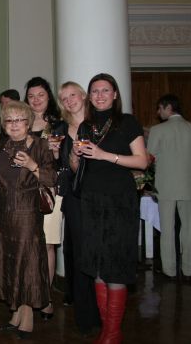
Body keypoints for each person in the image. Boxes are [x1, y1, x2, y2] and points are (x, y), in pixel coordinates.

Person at [71, 74, 148, 344]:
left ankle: (112, 334)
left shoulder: (127, 122)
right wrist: (74, 155)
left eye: (105, 90)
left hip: (119, 202)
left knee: (115, 266)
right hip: (91, 202)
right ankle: (108, 330)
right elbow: (78, 169)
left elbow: (142, 162)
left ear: (115, 94)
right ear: (89, 96)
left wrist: (105, 155)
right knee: (97, 267)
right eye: (95, 91)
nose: (100, 95)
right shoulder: (86, 126)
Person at [0, 100, 56, 339]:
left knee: (26, 263)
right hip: (4, 214)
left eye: (19, 120)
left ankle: (27, 316)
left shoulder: (40, 145)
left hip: (27, 213)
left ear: (28, 123)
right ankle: (15, 312)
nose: (14, 124)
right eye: (9, 120)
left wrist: (32, 164)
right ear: (4, 125)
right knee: (10, 262)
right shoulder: (0, 146)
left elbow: (51, 178)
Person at [57, 82, 100, 335]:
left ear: (83, 96)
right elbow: (66, 167)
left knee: (100, 253)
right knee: (81, 255)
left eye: (73, 95)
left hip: (102, 195)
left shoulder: (98, 124)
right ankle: (85, 316)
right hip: (75, 197)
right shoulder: (61, 129)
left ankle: (103, 311)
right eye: (64, 98)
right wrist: (61, 154)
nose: (69, 100)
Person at [147, 95, 191, 280]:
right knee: (190, 228)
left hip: (165, 185)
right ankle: (189, 269)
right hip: (188, 185)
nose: (158, 112)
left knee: (167, 229)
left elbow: (149, 157)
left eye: (160, 108)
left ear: (168, 107)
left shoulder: (157, 130)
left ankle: (169, 270)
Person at [23, 76, 63, 320]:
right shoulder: (21, 122)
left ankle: (46, 297)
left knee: (48, 244)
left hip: (49, 190)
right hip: (23, 191)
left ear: (49, 97)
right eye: (31, 96)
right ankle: (28, 297)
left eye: (41, 95)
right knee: (27, 244)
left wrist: (56, 153)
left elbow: (64, 161)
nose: (36, 100)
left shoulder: (59, 124)